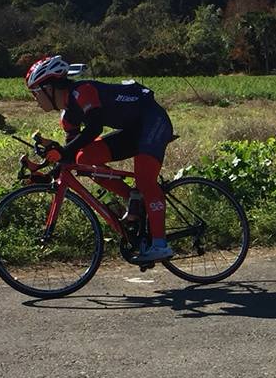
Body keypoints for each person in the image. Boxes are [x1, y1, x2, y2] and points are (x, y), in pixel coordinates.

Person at [24, 55, 175, 263]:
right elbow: (70, 158)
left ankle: (160, 244)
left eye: (35, 92)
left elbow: (95, 127)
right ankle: (134, 197)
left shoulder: (82, 91)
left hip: (153, 121)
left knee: (144, 178)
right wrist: (47, 175)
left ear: (50, 87)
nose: (34, 99)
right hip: (133, 130)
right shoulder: (67, 117)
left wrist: (64, 151)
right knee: (84, 157)